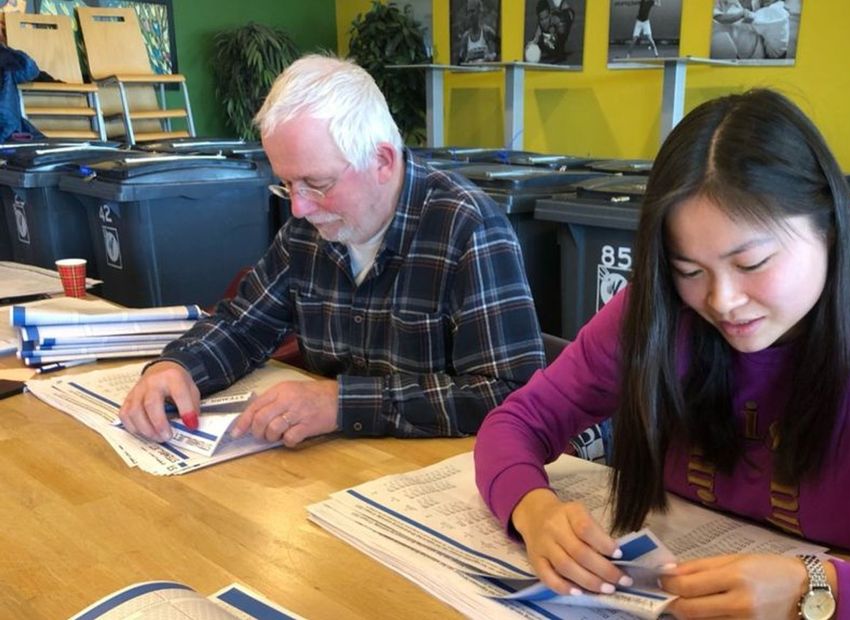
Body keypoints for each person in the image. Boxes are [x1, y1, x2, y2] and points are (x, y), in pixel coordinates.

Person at [474, 90, 850, 618]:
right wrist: (533, 509)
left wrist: (816, 590)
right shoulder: (658, 314)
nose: (722, 300)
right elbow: (517, 421)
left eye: (753, 262)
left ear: (827, 223)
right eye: (689, 269)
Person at [119, 54, 544, 447]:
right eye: (287, 185)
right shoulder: (309, 231)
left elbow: (508, 393)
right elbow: (243, 326)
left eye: (316, 185)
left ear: (381, 160)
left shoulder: (467, 227)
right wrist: (176, 368)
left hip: (440, 479)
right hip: (328, 468)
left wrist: (342, 404)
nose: (299, 209)